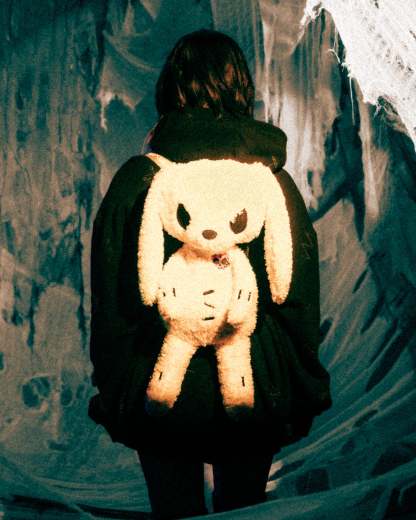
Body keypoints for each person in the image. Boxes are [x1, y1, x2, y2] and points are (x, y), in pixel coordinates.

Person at [88, 29, 331, 519]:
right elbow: (298, 295)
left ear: (169, 89)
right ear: (241, 89)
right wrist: (293, 379)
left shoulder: (140, 179)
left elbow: (112, 296)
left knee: (173, 510)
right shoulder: (273, 184)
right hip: (252, 381)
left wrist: (117, 381)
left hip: (160, 380)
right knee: (243, 509)